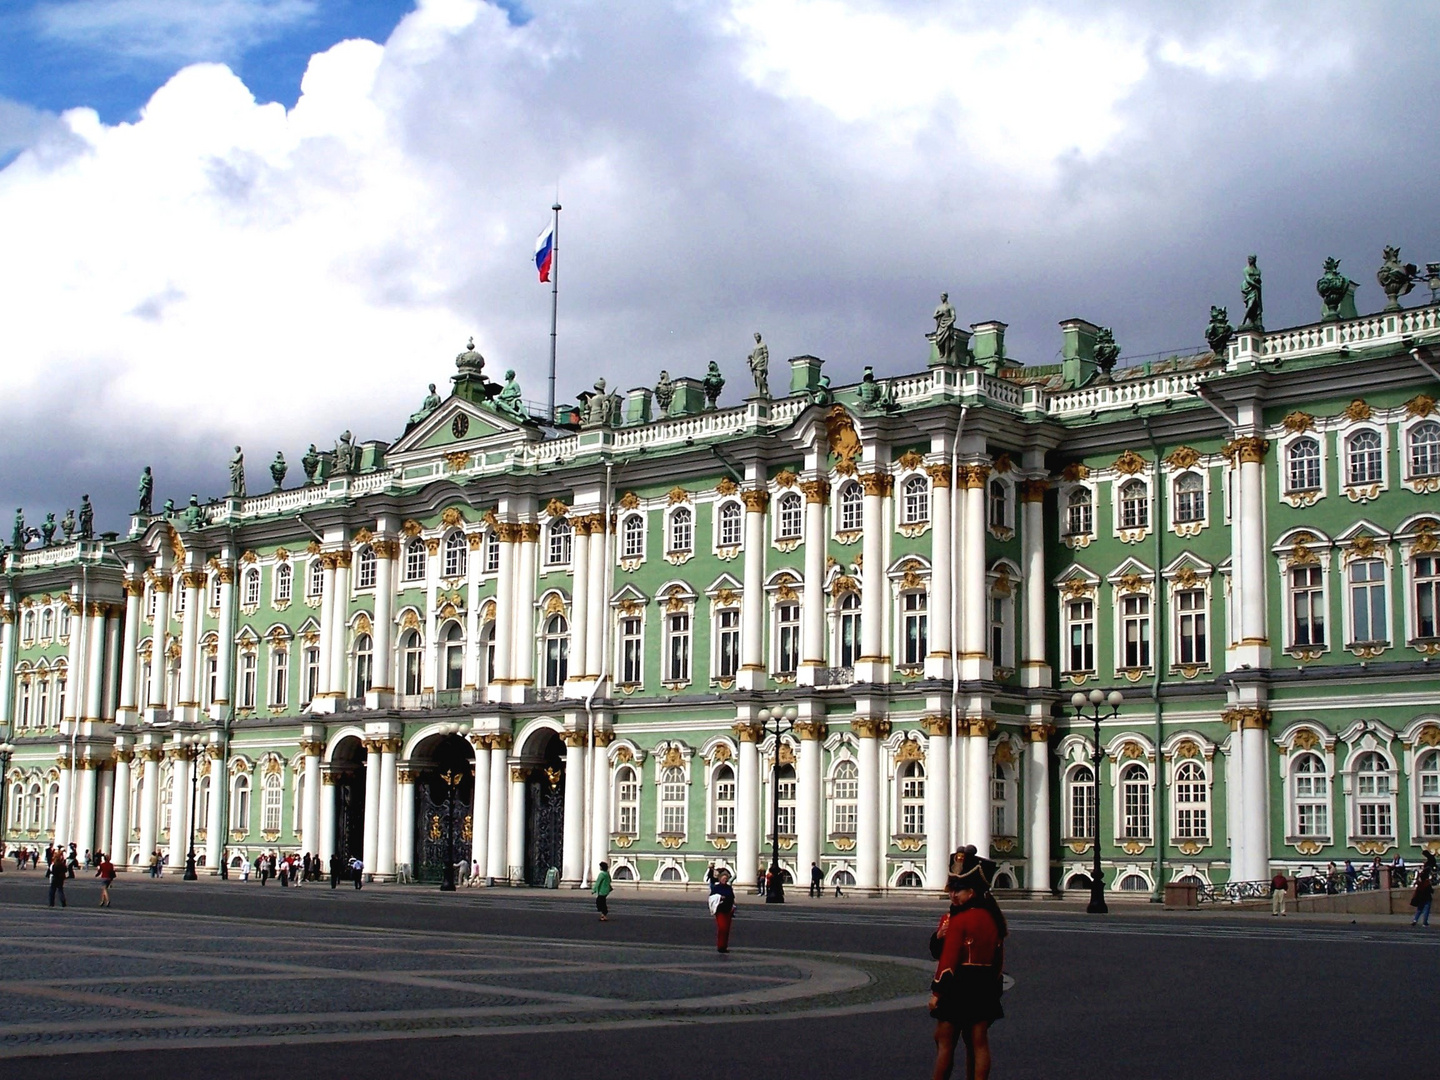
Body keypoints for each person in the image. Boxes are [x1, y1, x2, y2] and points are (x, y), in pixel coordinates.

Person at [929, 851, 1007, 1080]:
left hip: (959, 986)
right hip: (984, 985)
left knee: (944, 1041)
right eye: (951, 889)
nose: (952, 895)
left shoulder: (958, 919)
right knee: (978, 1042)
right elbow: (998, 959)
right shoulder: (994, 919)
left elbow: (947, 961)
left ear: (971, 892)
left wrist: (937, 993)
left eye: (957, 890)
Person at [710, 868, 736, 952]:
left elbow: (732, 897)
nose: (725, 880)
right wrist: (720, 897)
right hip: (720, 910)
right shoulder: (716, 888)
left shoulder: (729, 888)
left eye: (726, 878)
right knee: (722, 928)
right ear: (720, 879)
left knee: (727, 929)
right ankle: (720, 946)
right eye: (723, 878)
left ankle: (724, 946)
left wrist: (733, 907)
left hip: (728, 910)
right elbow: (711, 898)